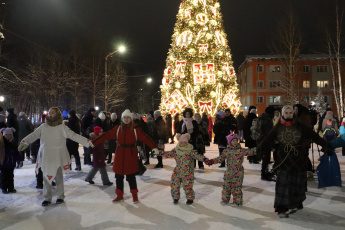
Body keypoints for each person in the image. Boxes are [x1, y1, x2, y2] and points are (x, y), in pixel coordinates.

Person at [257, 105, 331, 218]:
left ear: (293, 114)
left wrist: (326, 146)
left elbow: (314, 136)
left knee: (297, 183)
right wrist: (258, 151)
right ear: (282, 114)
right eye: (286, 112)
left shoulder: (300, 126)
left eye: (290, 112)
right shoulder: (278, 127)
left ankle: (296, 203)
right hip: (283, 159)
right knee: (283, 184)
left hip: (298, 159)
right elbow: (267, 139)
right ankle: (281, 208)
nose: (288, 114)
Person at [18, 107, 94, 206]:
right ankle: (47, 198)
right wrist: (24, 141)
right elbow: (33, 135)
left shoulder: (62, 127)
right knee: (46, 177)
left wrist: (87, 142)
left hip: (58, 155)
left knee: (58, 177)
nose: (50, 114)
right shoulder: (43, 127)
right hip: (46, 155)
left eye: (52, 113)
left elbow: (74, 136)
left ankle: (60, 196)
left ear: (57, 114)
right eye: (49, 112)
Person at [92, 109, 159, 203]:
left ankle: (134, 195)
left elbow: (146, 138)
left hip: (130, 155)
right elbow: (106, 136)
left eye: (128, 117)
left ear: (131, 118)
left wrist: (154, 147)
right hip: (119, 155)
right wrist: (93, 142)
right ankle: (119, 195)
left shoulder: (136, 129)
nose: (126, 119)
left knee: (131, 177)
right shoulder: (118, 128)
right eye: (124, 117)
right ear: (122, 118)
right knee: (118, 176)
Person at [158, 133, 209, 205]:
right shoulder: (176, 150)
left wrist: (205, 160)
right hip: (177, 171)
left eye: (185, 142)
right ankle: (175, 198)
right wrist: (159, 152)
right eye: (181, 142)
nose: (183, 144)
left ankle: (190, 198)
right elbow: (168, 154)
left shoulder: (190, 151)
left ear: (187, 142)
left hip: (187, 172)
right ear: (179, 142)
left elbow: (198, 156)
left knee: (188, 186)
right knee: (174, 185)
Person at [207, 132, 256, 206]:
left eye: (236, 140)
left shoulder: (240, 150)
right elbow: (220, 158)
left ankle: (237, 202)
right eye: (233, 141)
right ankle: (225, 199)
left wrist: (259, 148)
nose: (235, 142)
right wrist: (212, 161)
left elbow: (250, 152)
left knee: (236, 187)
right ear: (230, 142)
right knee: (226, 186)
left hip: (238, 172)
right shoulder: (227, 150)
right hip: (229, 172)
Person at [256, 106, 275, 181]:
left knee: (265, 158)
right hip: (265, 143)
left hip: (260, 141)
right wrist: (272, 145)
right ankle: (264, 174)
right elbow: (269, 134)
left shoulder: (261, 117)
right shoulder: (268, 120)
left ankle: (264, 173)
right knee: (266, 159)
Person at [0, 127, 21, 194]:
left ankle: (10, 188)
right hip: (3, 163)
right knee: (4, 176)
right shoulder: (2, 144)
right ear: (4, 135)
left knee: (10, 176)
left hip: (11, 163)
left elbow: (17, 152)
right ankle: (4, 188)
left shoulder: (14, 144)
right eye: (6, 135)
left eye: (9, 134)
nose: (8, 136)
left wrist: (19, 159)